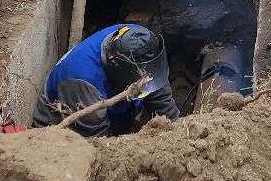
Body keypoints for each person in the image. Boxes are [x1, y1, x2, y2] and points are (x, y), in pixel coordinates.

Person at [30, 24, 181, 137]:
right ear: (116, 66)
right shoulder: (82, 79)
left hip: (115, 115)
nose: (145, 84)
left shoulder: (138, 37)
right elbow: (98, 143)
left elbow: (159, 93)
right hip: (63, 132)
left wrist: (176, 130)